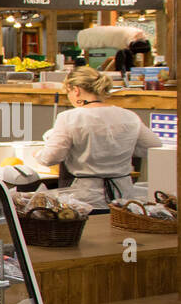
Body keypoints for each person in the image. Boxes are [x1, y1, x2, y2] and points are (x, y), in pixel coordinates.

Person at [32, 67, 161, 208]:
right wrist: (121, 148)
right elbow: (153, 146)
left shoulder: (70, 118)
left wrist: (37, 154)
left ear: (76, 90)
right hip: (123, 197)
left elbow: (50, 158)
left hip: (85, 198)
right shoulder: (129, 116)